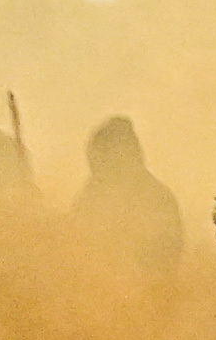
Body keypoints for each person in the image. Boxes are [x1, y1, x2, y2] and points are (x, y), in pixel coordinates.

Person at [74, 111, 184, 276]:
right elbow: (74, 237)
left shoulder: (155, 199)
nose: (95, 163)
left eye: (103, 156)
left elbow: (162, 259)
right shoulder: (91, 193)